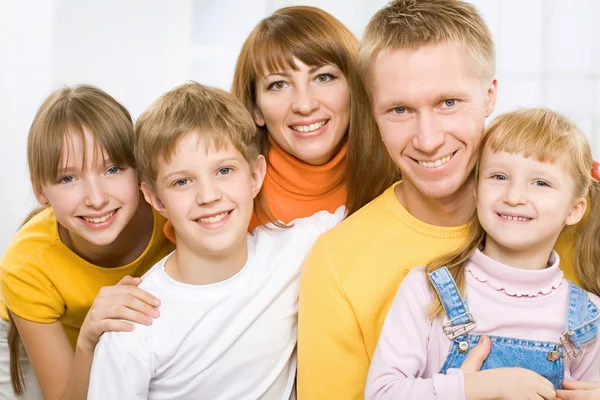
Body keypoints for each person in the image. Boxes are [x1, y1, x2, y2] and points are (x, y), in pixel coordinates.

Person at [297, 1, 598, 398]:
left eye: (448, 103)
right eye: (400, 109)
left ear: (490, 95)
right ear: (373, 114)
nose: (428, 139)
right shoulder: (339, 261)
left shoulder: (577, 219)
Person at [87, 82, 344, 399]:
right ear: (155, 198)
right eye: (182, 181)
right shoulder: (134, 323)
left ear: (254, 176)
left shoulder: (294, 250)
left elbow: (388, 204)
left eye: (224, 170)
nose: (208, 196)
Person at [365, 108, 600, 400]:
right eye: (499, 176)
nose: (514, 197)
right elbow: (381, 394)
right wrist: (477, 388)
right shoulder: (428, 290)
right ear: (476, 191)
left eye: (540, 183)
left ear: (574, 209)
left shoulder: (588, 318)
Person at [161, 5, 396, 241]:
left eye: (323, 77)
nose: (304, 105)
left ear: (355, 88)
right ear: (256, 109)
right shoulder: (223, 197)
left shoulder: (400, 169)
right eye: (279, 85)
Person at [0, 85, 172, 400]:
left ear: (138, 170)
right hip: (37, 336)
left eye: (112, 169)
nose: (95, 199)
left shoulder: (172, 217)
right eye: (68, 178)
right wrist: (88, 340)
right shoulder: (25, 265)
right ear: (41, 191)